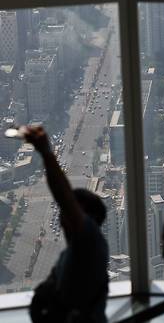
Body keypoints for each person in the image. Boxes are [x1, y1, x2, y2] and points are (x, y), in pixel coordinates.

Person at [25, 126, 109, 323]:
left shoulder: (92, 243)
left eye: (70, 213)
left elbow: (64, 197)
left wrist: (46, 153)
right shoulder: (71, 254)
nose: (63, 218)